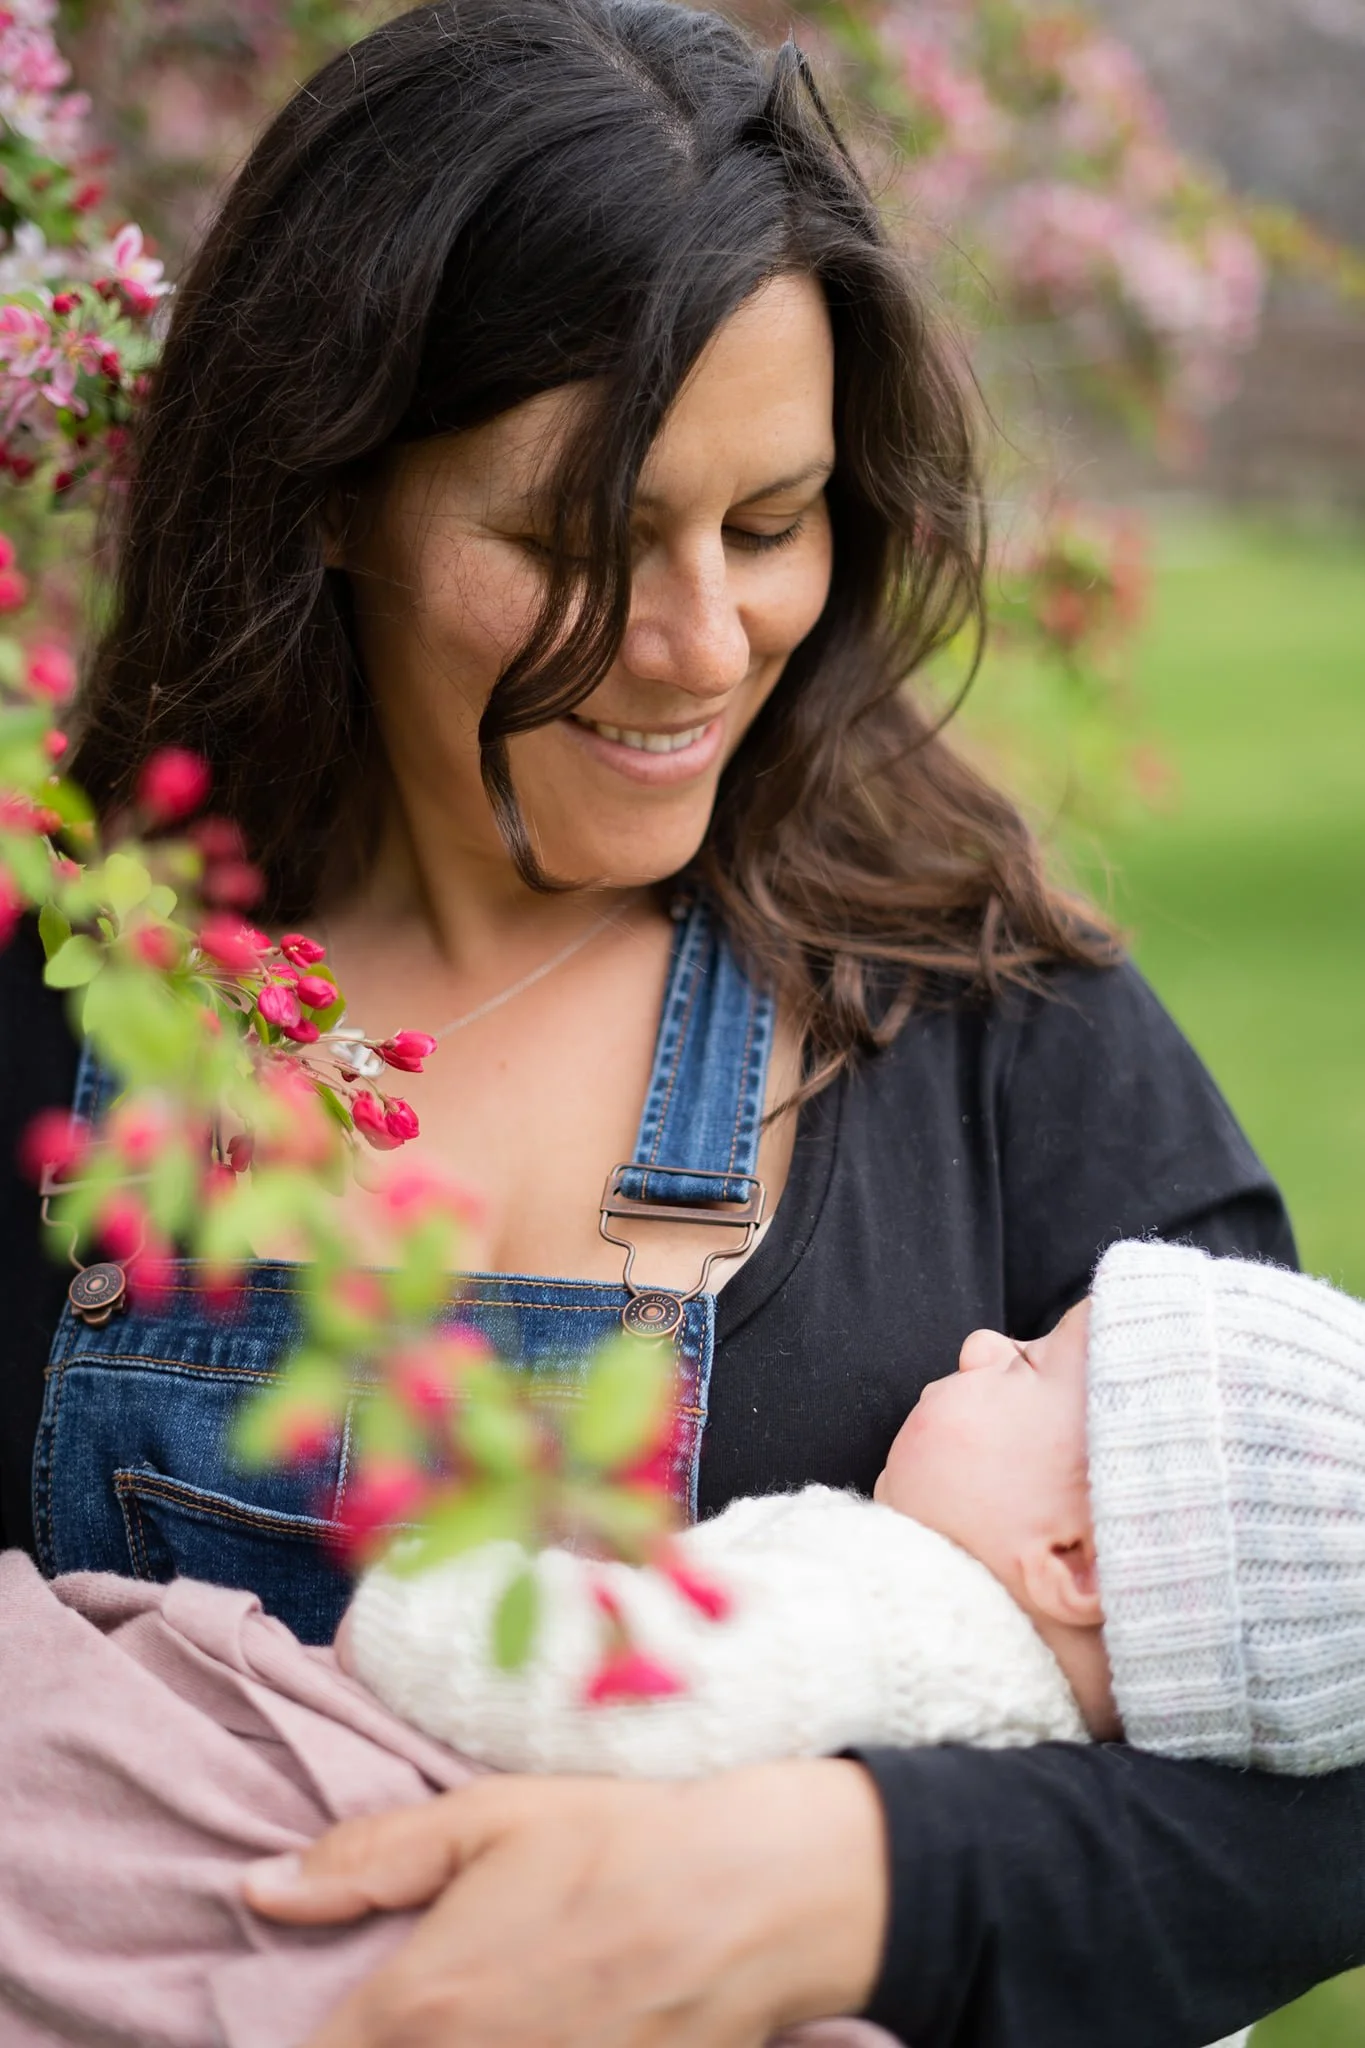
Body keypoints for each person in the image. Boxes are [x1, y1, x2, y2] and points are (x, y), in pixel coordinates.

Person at [0, 1, 1361, 2042]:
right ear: (326, 492)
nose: (698, 644)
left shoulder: (995, 1023)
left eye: (767, 522)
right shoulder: (60, 983)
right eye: (573, 543)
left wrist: (849, 1879)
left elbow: (1324, 1751)